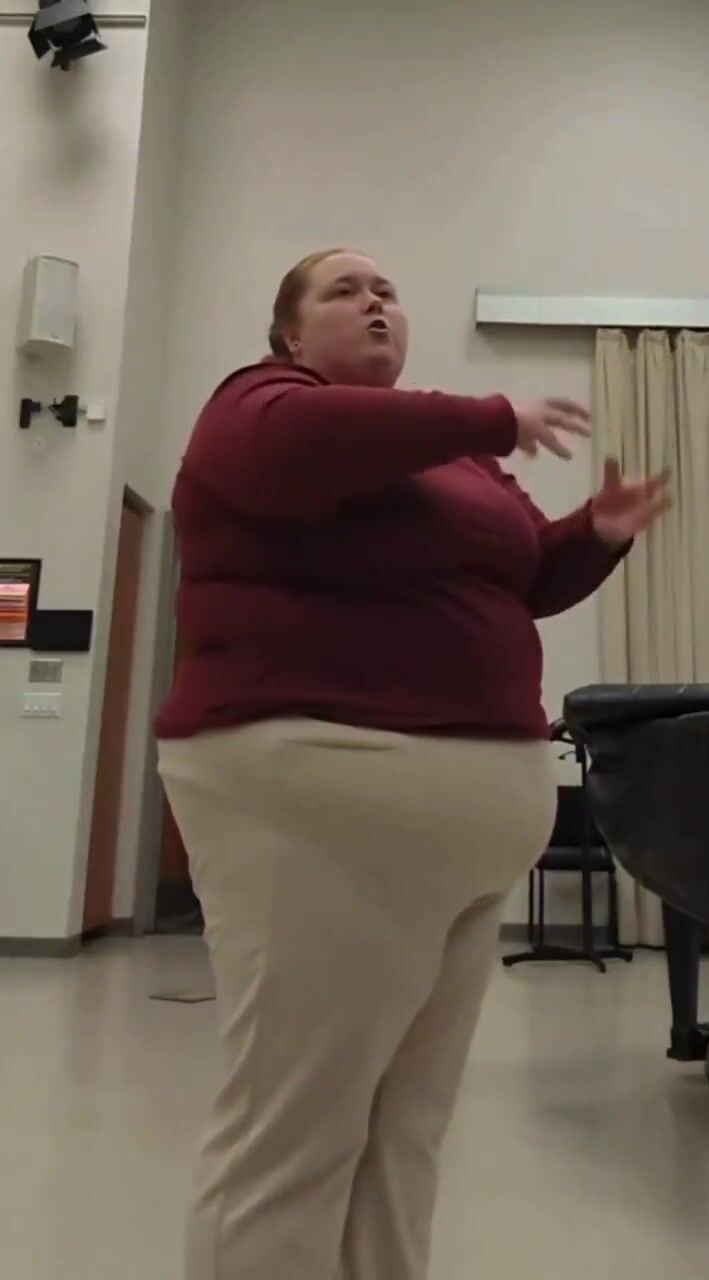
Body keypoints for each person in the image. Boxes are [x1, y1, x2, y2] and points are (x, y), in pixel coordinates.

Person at [156, 249, 670, 1280]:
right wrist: (492, 415)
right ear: (290, 335)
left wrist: (596, 532)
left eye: (387, 290)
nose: (375, 301)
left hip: (463, 838)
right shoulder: (260, 407)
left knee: (407, 1127)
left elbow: (524, 575)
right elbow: (305, 441)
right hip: (318, 797)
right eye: (344, 290)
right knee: (294, 1129)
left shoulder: (461, 462)